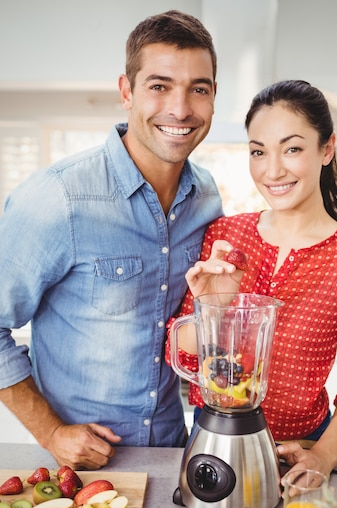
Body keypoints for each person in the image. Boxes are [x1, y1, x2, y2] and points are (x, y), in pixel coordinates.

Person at [0, 10, 223, 469]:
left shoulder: (208, 199)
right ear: (126, 92)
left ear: (213, 97)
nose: (180, 109)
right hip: (77, 467)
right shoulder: (57, 198)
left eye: (197, 89)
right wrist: (52, 432)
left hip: (173, 452)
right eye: (159, 86)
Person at [166, 79, 337, 480]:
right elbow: (180, 354)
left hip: (299, 452)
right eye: (258, 151)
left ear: (327, 148)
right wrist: (213, 312)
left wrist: (323, 456)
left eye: (292, 148)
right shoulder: (224, 236)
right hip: (211, 438)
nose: (272, 170)